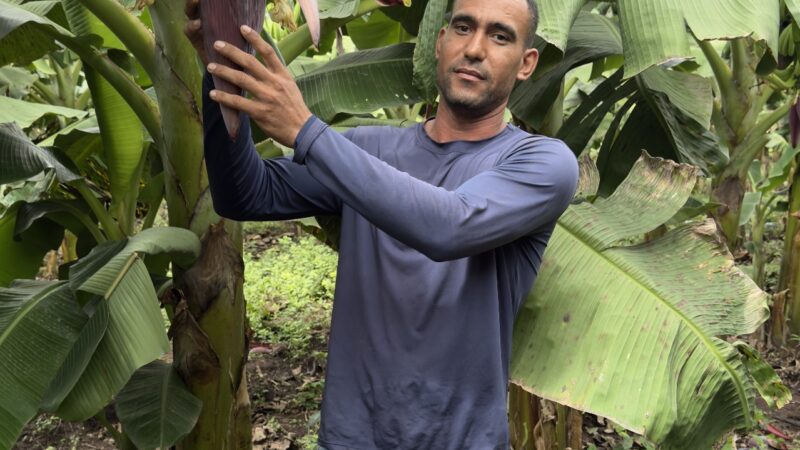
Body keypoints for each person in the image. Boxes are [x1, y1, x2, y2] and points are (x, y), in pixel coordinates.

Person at [184, 0, 578, 448]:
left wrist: (306, 131)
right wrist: (221, 71)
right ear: (440, 42)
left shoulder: (542, 163)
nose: (474, 48)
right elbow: (244, 194)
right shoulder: (367, 149)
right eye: (463, 27)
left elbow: (449, 226)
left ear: (527, 63)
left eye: (500, 36)